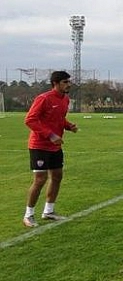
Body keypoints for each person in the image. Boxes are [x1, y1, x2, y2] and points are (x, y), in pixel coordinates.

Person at [22, 70, 78, 227]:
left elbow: (59, 118)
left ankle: (48, 211)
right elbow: (30, 120)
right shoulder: (43, 98)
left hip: (55, 147)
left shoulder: (65, 100)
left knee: (57, 176)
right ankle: (28, 215)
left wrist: (69, 126)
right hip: (39, 145)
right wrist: (50, 135)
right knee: (40, 179)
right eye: (65, 82)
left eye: (69, 82)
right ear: (55, 83)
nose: (69, 85)